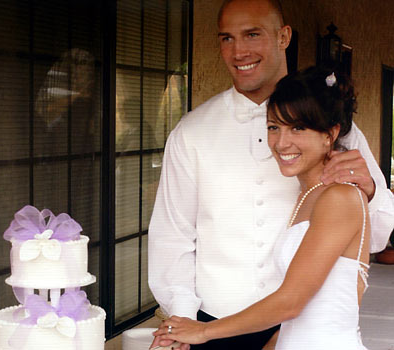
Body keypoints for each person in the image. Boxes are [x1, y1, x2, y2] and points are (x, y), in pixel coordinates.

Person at [148, 0, 394, 349]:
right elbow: (173, 236)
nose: (238, 51)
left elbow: (376, 240)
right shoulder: (191, 132)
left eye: (252, 34)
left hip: (299, 327)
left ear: (284, 37)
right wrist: (184, 320)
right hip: (212, 325)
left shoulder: (340, 132)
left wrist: (370, 192)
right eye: (227, 38)